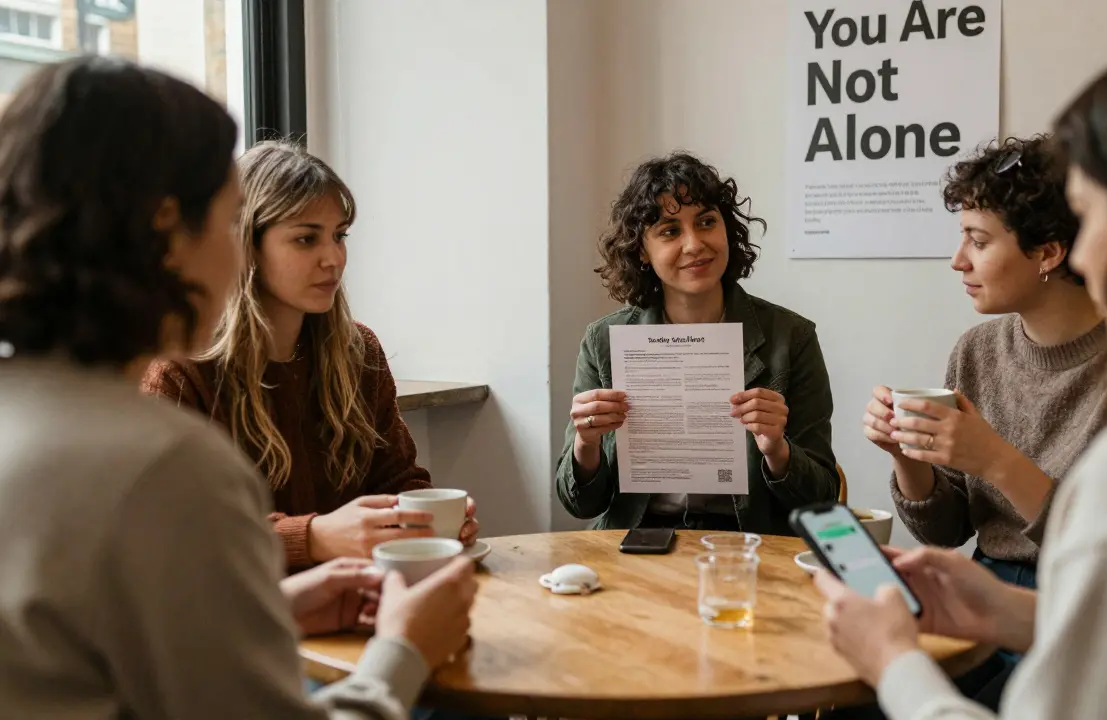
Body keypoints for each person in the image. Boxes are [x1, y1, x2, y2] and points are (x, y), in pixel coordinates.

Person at [819, 25, 1107, 719]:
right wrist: (1001, 602)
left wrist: (892, 662)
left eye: (1093, 215)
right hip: (1011, 592)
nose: (1090, 256)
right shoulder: (982, 352)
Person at [0, 56, 476, 718]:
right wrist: (407, 648)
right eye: (230, 221)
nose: (237, 255)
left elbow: (91, 651)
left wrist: (274, 608)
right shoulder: (161, 461)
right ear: (167, 230)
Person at [142, 141, 478, 571]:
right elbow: (174, 532)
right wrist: (314, 537)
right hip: (236, 619)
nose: (334, 258)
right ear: (245, 244)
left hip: (361, 597)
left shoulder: (360, 352)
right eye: (306, 239)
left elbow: (398, 479)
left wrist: (428, 521)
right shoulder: (180, 371)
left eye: (339, 236)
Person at [863, 135, 1107, 591]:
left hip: (1084, 596)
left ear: (1048, 253)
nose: (958, 262)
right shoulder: (977, 351)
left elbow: (1105, 549)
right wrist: (906, 453)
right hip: (985, 581)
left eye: (978, 241)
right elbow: (944, 533)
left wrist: (995, 460)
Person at [555, 152, 839, 534]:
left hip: (750, 547)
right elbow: (580, 504)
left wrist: (777, 449)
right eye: (670, 231)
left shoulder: (792, 338)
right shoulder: (604, 342)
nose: (694, 244)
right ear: (642, 249)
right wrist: (586, 445)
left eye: (706, 222)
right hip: (638, 544)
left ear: (727, 230)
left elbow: (822, 499)